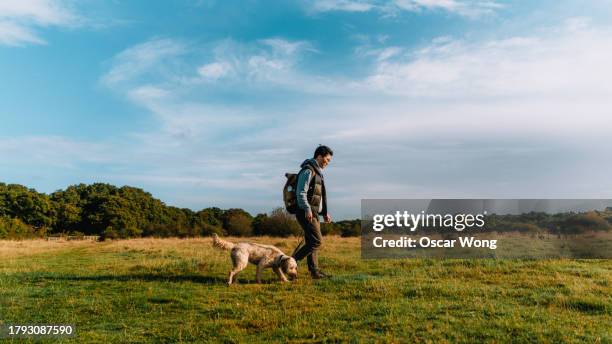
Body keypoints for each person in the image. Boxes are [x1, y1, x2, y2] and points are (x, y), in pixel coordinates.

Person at [292, 145, 333, 279]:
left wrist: (324, 212)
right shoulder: (308, 170)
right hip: (306, 212)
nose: (327, 163)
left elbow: (318, 196)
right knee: (317, 241)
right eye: (327, 160)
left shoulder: (317, 172)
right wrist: (307, 209)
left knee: (311, 242)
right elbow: (301, 192)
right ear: (319, 156)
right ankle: (290, 261)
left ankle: (314, 271)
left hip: (314, 212)